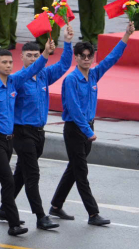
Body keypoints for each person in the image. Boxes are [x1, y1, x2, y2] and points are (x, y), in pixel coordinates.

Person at [49, 21, 134, 226]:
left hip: (88, 128)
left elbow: (112, 58)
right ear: (76, 58)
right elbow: (74, 109)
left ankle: (55, 206)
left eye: (89, 56)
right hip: (76, 130)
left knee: (74, 168)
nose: (86, 59)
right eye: (82, 56)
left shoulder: (94, 74)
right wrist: (88, 131)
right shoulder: (71, 80)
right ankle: (93, 214)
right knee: (81, 172)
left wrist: (126, 35)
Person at [0, 38, 55, 235]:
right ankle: (14, 224)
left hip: (8, 140)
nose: (8, 66)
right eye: (4, 63)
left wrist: (45, 54)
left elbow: (32, 70)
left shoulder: (14, 83)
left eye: (10, 62)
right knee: (8, 181)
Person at [0, 25, 74, 230]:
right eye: (29, 55)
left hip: (39, 132)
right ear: (21, 57)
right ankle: (40, 216)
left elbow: (64, 64)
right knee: (32, 175)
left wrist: (67, 42)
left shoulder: (45, 75)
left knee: (21, 173)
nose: (32, 58)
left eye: (36, 55)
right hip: (22, 133)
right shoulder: (17, 79)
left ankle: (4, 209)